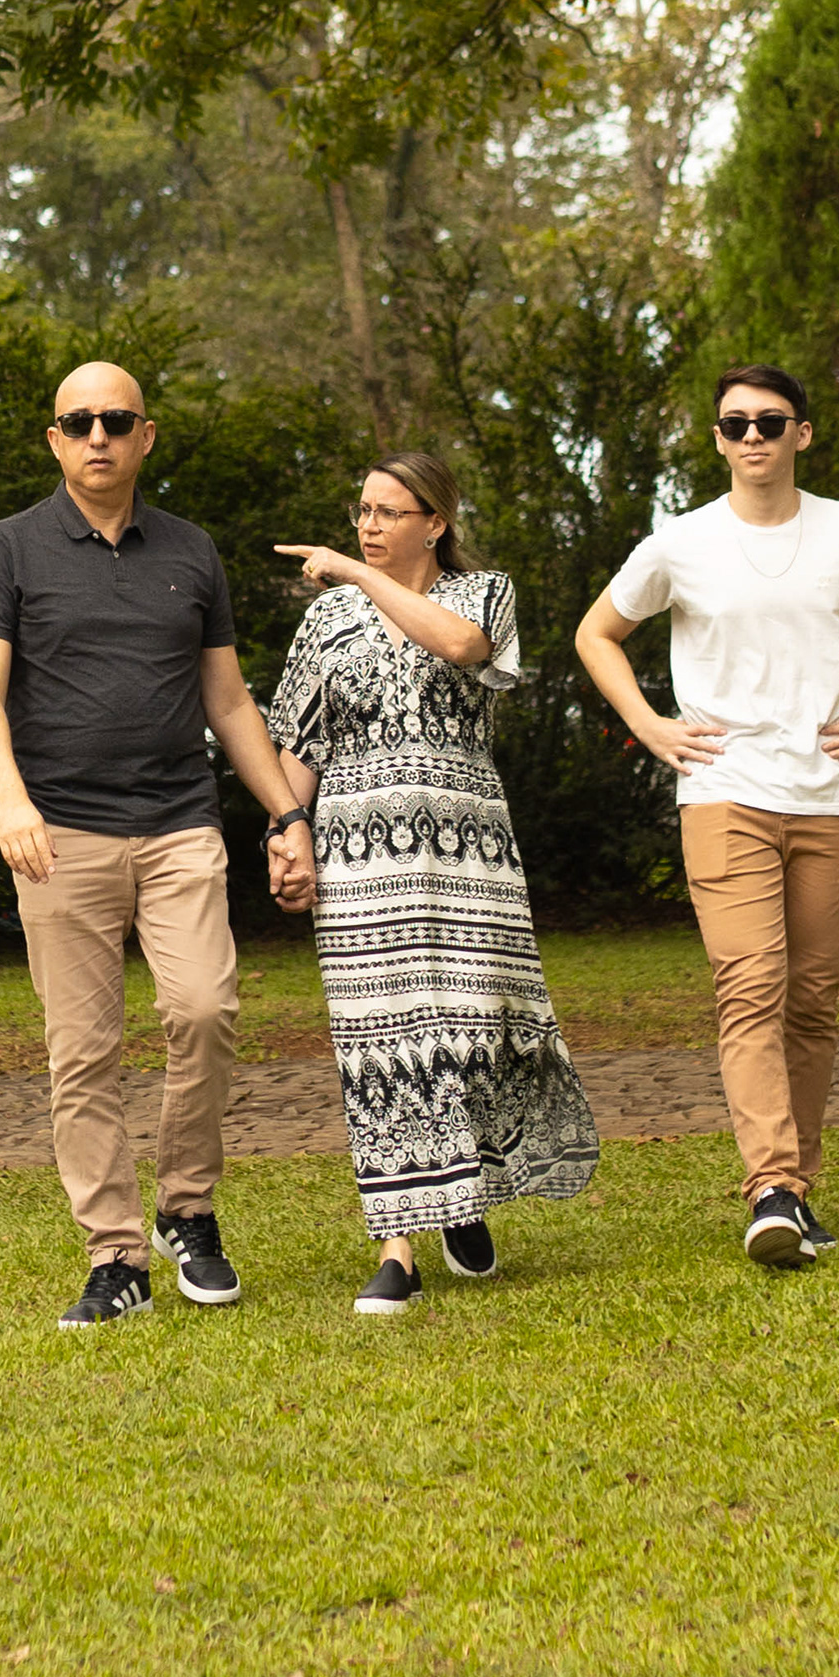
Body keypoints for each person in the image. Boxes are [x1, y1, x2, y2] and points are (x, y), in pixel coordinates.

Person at [575, 364, 839, 1268]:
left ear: (802, 434)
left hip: (833, 799)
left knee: (813, 1002)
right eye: (735, 423)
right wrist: (649, 725)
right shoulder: (681, 542)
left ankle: (798, 1188)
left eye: (770, 421)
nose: (752, 436)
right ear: (718, 439)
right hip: (725, 794)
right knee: (750, 988)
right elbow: (597, 633)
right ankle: (772, 1189)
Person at [0, 360, 317, 1327]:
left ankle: (186, 1210)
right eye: (79, 423)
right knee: (83, 1053)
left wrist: (287, 815)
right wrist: (10, 802)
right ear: (55, 440)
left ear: (145, 435)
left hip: (179, 825)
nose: (98, 437)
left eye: (116, 420)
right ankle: (115, 1256)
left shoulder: (191, 551)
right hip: (59, 834)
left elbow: (228, 702)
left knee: (205, 1010)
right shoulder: (8, 548)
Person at [268, 451, 599, 1315]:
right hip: (359, 855)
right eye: (361, 512)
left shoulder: (483, 594)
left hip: (468, 852)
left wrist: (353, 573)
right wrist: (285, 831)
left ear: (436, 523)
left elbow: (461, 648)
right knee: (381, 1039)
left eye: (388, 512)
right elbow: (298, 742)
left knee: (470, 1026)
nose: (368, 526)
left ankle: (462, 1192)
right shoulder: (327, 621)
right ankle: (399, 1248)